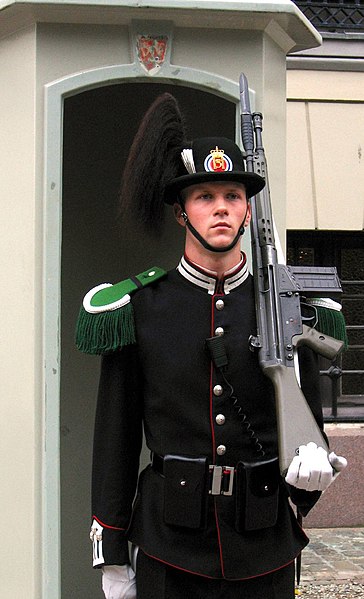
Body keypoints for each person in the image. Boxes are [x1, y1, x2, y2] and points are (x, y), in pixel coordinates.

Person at [76, 94, 347, 599]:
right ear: (181, 213)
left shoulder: (293, 305)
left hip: (263, 544)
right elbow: (114, 440)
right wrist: (111, 554)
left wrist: (310, 480)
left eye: (233, 195)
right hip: (168, 546)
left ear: (247, 211)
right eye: (204, 197)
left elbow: (306, 416)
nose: (220, 207)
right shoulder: (140, 308)